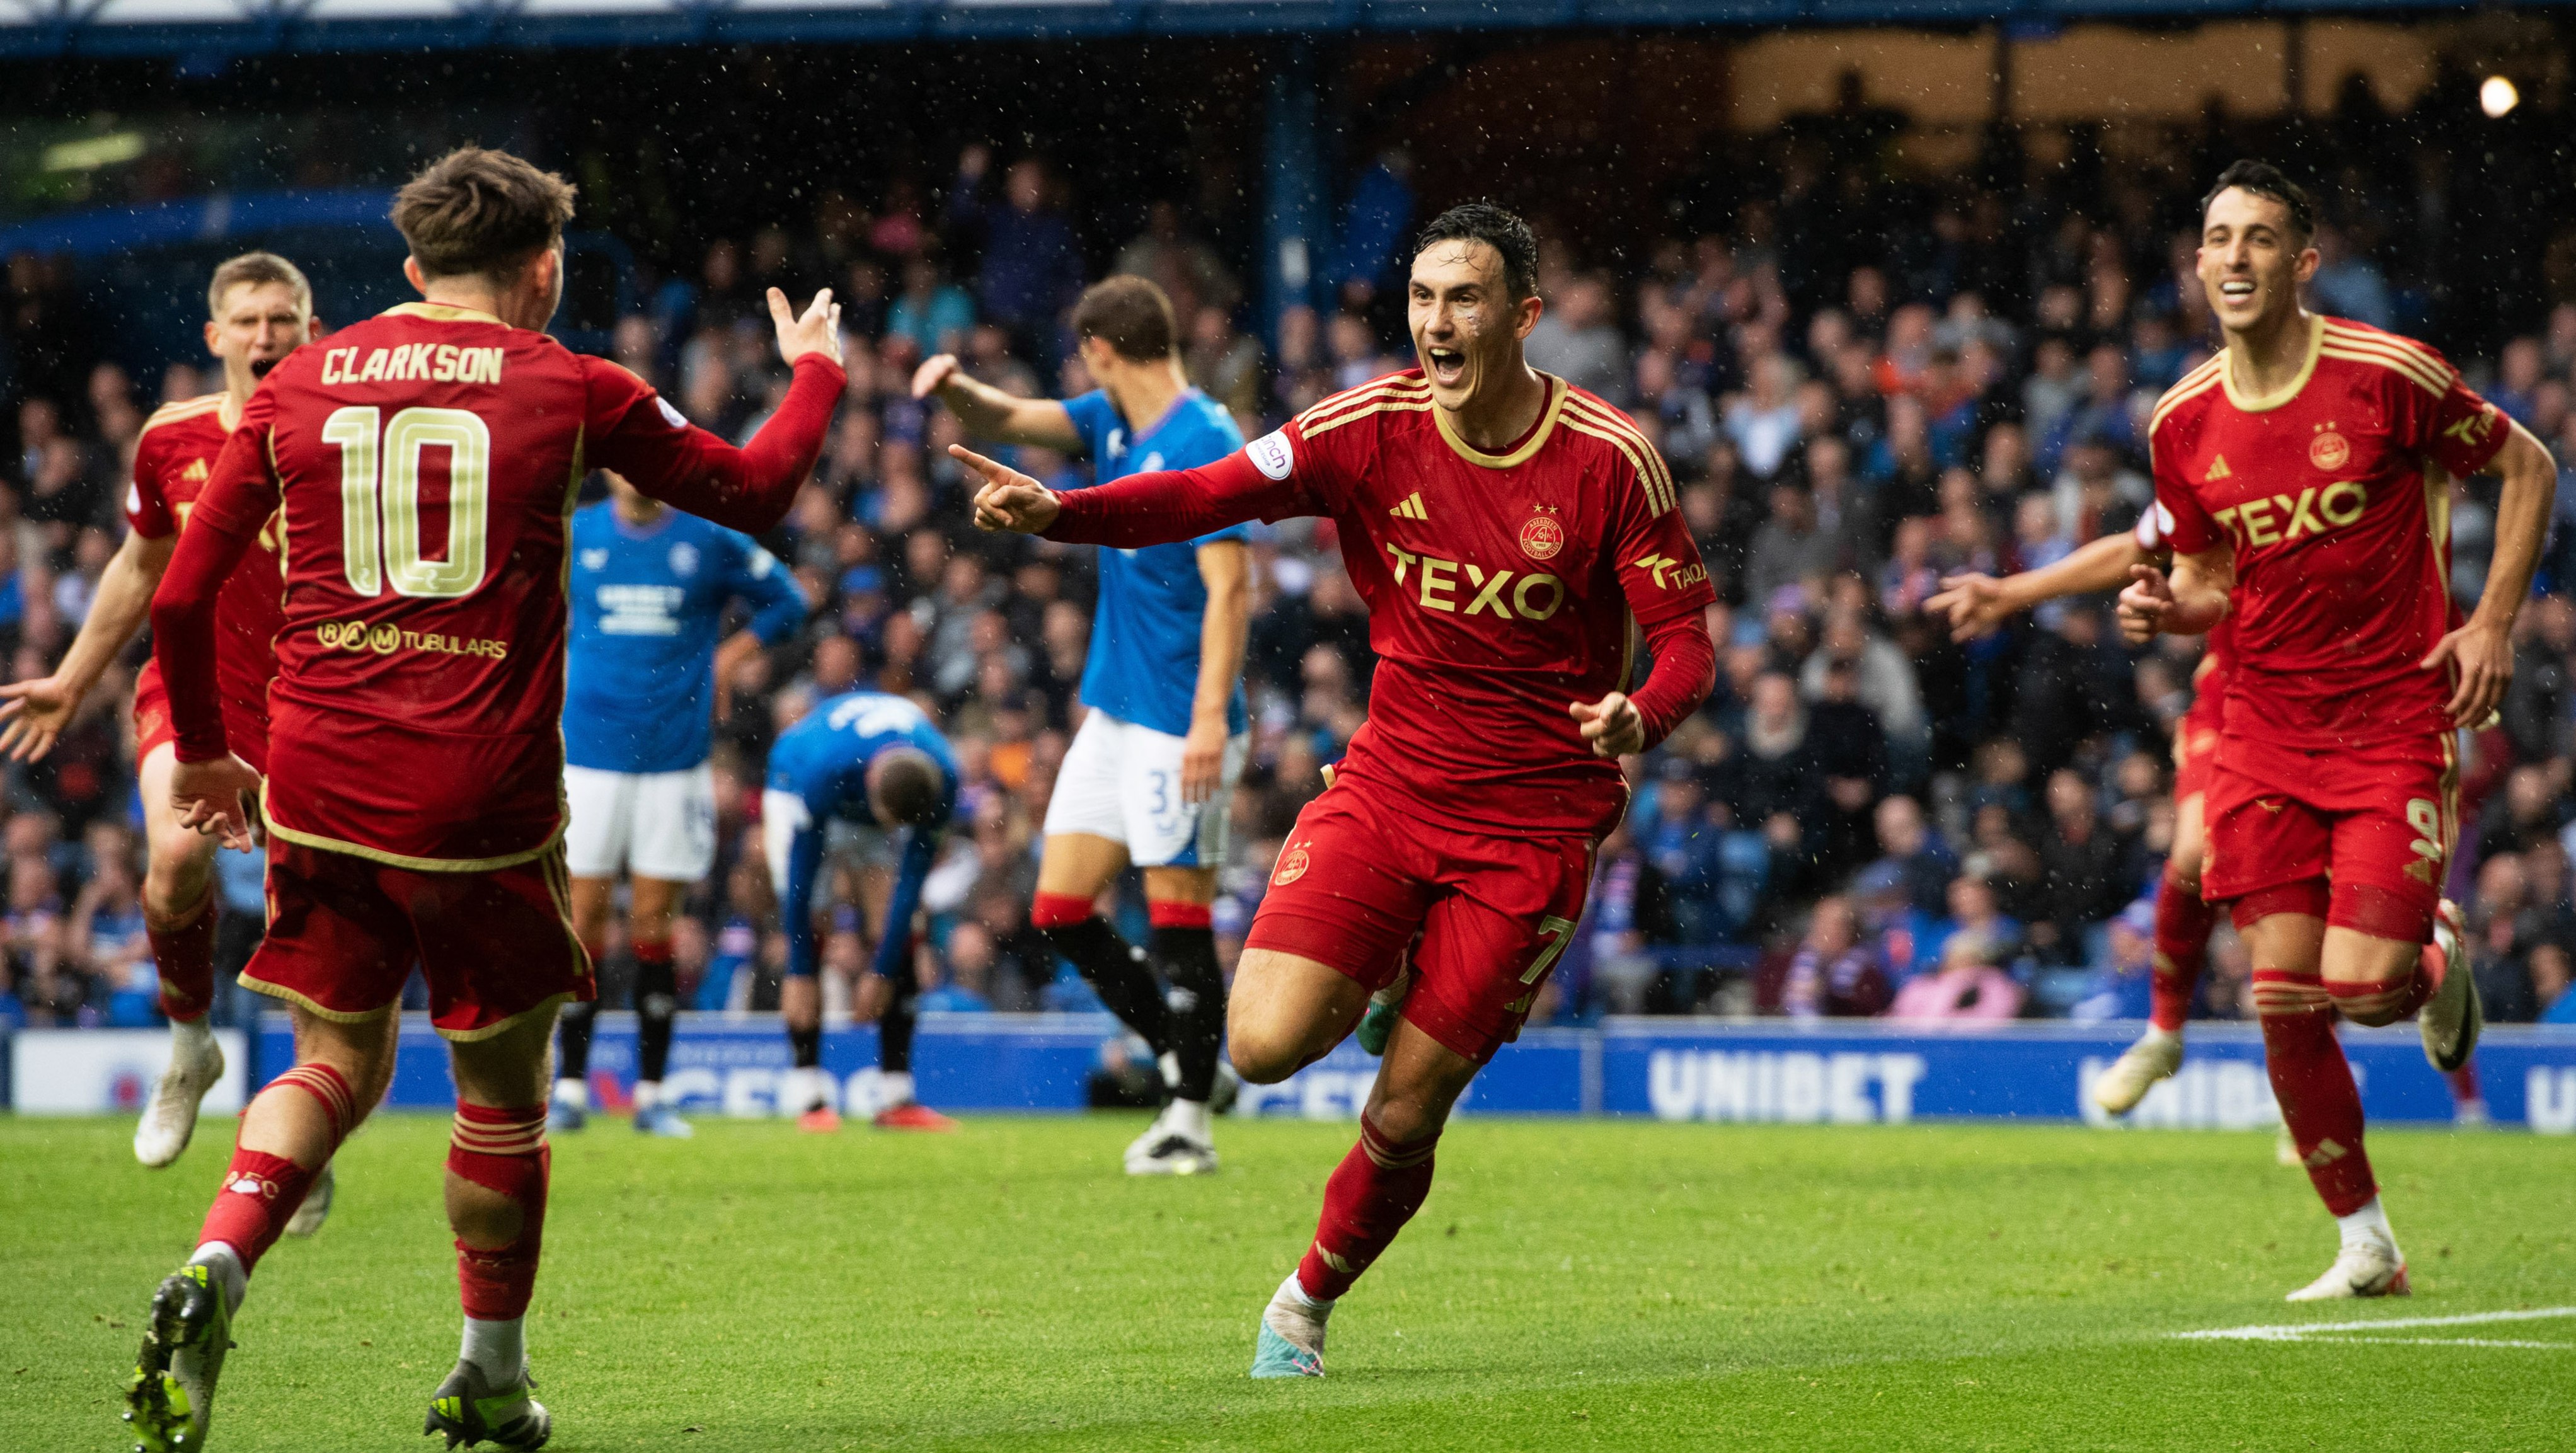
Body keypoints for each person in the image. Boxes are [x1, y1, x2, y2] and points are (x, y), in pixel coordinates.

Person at [125, 146, 844, 1452]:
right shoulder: (570, 383)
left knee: (333, 1057)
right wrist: (820, 373)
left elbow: (178, 596)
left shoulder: (292, 383)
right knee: (499, 1094)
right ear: (544, 270)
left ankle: (223, 1254)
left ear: (410, 269)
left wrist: (214, 752)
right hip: (479, 798)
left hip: (320, 780)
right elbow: (760, 487)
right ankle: (489, 1375)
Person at [955, 203, 1716, 1377]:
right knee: (1256, 1049)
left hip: (1531, 821)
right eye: (1421, 298)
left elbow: (1685, 643)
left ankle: (1303, 1303)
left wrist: (1639, 715)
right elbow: (1206, 493)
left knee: (1408, 1109)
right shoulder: (1365, 425)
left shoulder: (1608, 461)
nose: (1436, 322)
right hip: (1391, 785)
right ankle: (1389, 964)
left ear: (1522, 314)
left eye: (1463, 299)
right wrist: (1063, 515)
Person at [2115, 161, 2555, 1302]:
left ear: (2301, 263)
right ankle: (2365, 1242)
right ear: (2196, 262)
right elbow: (2211, 578)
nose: (2234, 259)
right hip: (2261, 727)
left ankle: (2431, 960)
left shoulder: (2383, 376)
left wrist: (2490, 624)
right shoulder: (2179, 421)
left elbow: (2526, 466)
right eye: (2217, 239)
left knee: (2361, 988)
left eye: (2259, 239)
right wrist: (2169, 608)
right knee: (2279, 995)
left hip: (2391, 715)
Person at [912, 274, 1250, 1174]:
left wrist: (1213, 718)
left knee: (1179, 915)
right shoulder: (1110, 418)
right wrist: (951, 389)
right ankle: (1192, 1062)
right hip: (1116, 711)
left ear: (1100, 346)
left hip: (1183, 716)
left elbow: (1231, 588)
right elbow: (1012, 418)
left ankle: (1189, 1119)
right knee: (1062, 910)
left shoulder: (1205, 438)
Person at [0, 253, 315, 1173]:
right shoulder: (171, 439)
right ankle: (190, 1046)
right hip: (193, 690)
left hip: (312, 705)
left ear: (310, 329)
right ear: (217, 337)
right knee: (175, 860)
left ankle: (307, 1103)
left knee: (307, 907)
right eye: (249, 321)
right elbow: (139, 569)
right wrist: (68, 676)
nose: (267, 336)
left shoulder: (347, 435)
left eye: (283, 319)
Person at [551, 470, 810, 1138]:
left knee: (653, 926)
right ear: (608, 467)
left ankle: (652, 1094)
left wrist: (729, 659)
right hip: (590, 753)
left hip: (673, 756)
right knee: (582, 925)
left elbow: (789, 602)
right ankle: (571, 1087)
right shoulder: (576, 533)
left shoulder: (709, 538)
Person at [760, 689, 960, 1133]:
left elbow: (911, 882)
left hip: (866, 779)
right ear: (871, 789)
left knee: (901, 919)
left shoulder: (943, 777)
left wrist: (883, 970)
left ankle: (897, 1095)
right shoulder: (826, 772)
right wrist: (799, 970)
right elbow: (802, 879)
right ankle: (810, 1095)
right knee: (811, 917)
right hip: (792, 783)